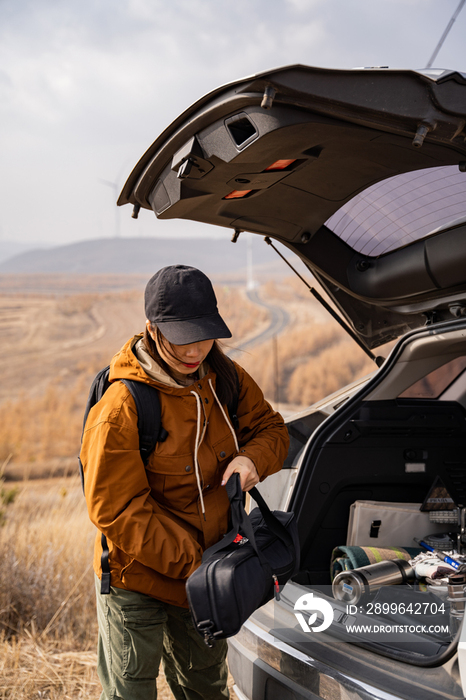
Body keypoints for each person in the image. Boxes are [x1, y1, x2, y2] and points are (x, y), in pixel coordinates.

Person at [80, 264, 290, 700]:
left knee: (205, 691)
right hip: (137, 580)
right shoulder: (122, 407)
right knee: (130, 693)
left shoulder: (224, 377)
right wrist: (195, 564)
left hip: (208, 578)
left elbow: (272, 429)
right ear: (153, 330)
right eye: (182, 337)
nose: (196, 349)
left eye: (205, 333)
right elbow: (116, 510)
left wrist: (252, 459)